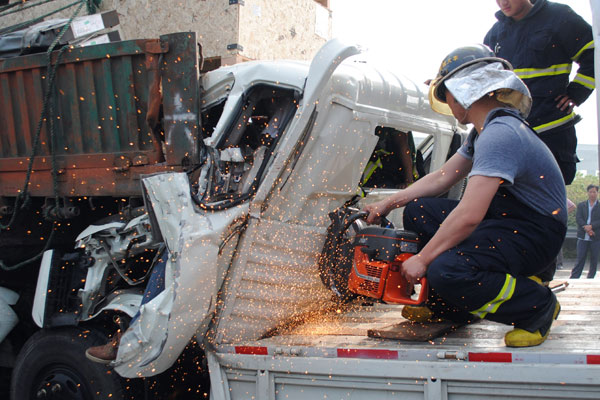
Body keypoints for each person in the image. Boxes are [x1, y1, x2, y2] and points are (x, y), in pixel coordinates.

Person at [363, 44, 567, 347]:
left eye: (446, 95)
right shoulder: (483, 132)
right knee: (419, 210)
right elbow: (443, 177)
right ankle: (450, 307)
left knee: (448, 270)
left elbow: (470, 215)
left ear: (461, 92)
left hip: (534, 233)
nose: (447, 102)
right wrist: (387, 203)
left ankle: (536, 306)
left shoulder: (500, 135)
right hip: (511, 221)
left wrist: (423, 259)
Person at [484, 0, 595, 283]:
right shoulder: (496, 33)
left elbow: (593, 56)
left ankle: (540, 278)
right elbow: (483, 76)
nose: (502, 2)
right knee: (507, 201)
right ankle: (508, 268)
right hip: (512, 130)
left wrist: (577, 92)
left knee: (548, 206)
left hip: (551, 130)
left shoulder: (560, 18)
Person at [570, 185, 600, 279]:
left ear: (597, 193)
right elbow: (578, 218)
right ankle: (575, 276)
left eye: (594, 192)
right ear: (587, 193)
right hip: (583, 235)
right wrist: (586, 227)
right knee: (580, 257)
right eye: (590, 192)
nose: (592, 194)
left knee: (594, 258)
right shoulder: (582, 205)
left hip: (595, 236)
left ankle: (591, 277)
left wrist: (591, 226)